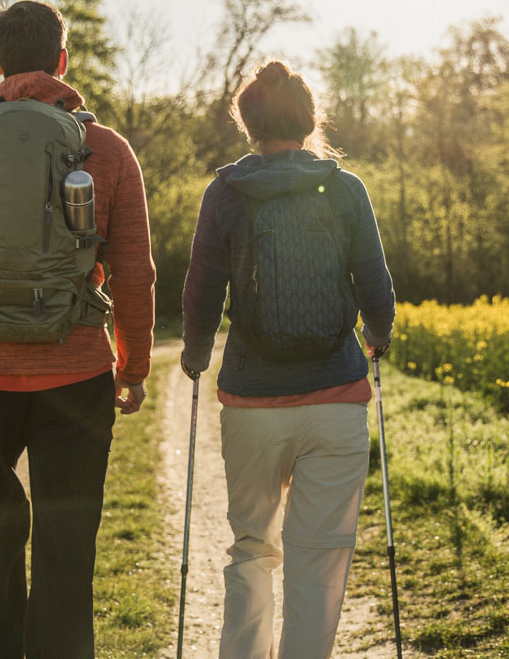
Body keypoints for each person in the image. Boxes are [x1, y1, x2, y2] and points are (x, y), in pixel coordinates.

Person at [0, 0, 156, 659]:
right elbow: (135, 273)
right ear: (63, 62)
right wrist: (132, 367)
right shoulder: (105, 149)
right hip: (76, 375)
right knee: (66, 548)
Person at [181, 60, 397, 658]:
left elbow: (201, 289)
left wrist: (196, 356)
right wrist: (378, 338)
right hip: (337, 399)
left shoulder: (225, 192)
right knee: (321, 551)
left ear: (248, 124)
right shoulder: (346, 187)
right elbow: (376, 287)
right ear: (308, 120)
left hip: (252, 401)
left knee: (252, 546)